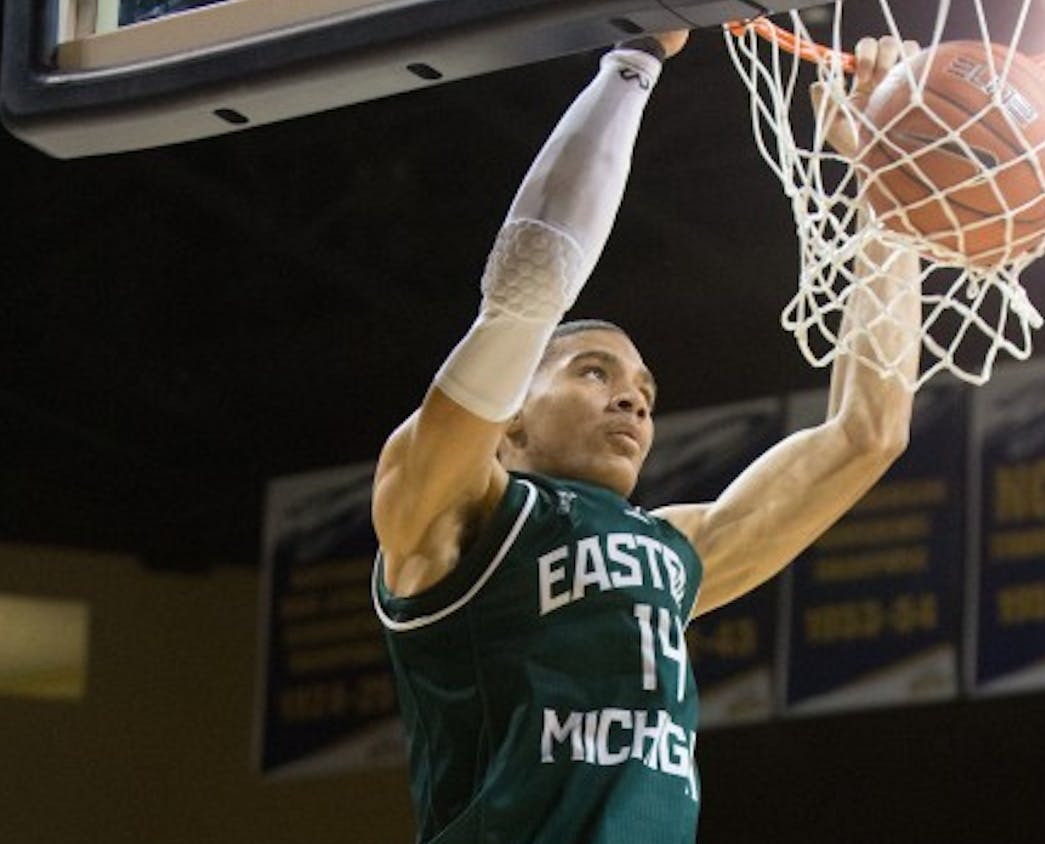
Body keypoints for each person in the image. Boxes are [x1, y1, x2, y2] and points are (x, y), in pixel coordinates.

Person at [371, 30, 921, 844]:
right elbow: (526, 292)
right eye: (594, 372)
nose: (631, 398)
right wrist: (636, 62)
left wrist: (888, 194)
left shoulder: (669, 554)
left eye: (644, 391)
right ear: (513, 410)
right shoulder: (455, 511)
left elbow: (868, 433)